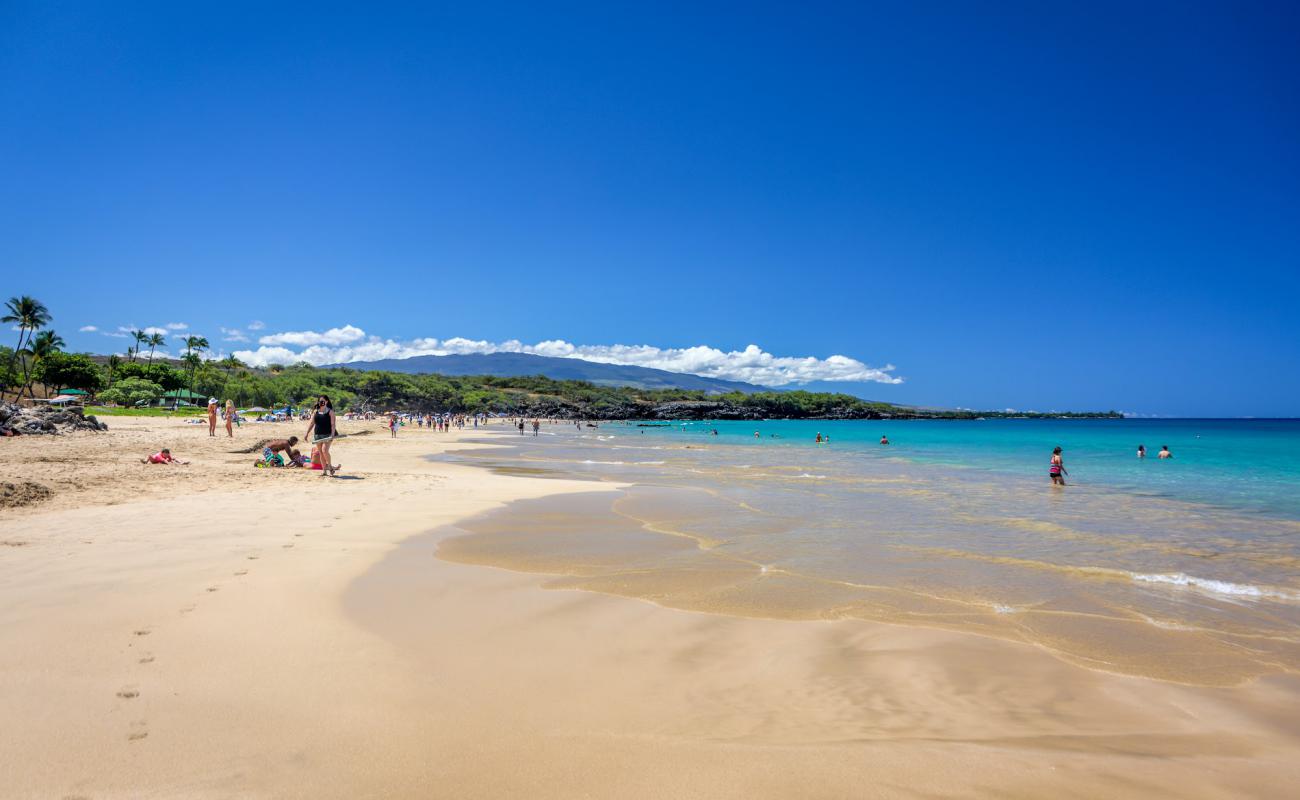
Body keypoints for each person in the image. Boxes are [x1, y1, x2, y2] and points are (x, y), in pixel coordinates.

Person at [304, 395, 340, 477]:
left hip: (328, 434)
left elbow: (333, 424)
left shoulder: (330, 412)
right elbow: (312, 423)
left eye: (323, 401)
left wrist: (332, 434)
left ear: (327, 402)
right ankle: (324, 471)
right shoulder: (316, 411)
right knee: (321, 453)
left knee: (324, 450)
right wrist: (307, 433)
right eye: (320, 401)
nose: (321, 402)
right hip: (317, 435)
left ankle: (330, 466)